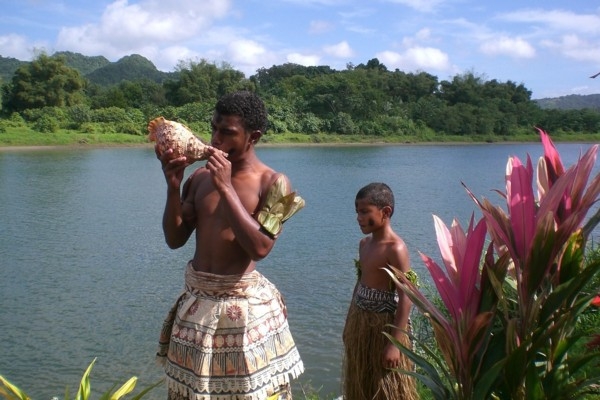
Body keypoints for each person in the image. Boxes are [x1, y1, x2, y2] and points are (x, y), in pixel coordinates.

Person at [155, 91, 305, 400]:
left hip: (244, 312)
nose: (216, 138)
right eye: (213, 128)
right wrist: (172, 186)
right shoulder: (198, 179)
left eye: (228, 132)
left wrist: (225, 187)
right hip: (198, 306)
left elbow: (260, 248)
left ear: (254, 136)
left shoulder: (274, 184)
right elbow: (174, 239)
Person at [342, 182, 418, 400]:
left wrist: (394, 344)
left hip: (384, 328)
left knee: (385, 387)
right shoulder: (364, 244)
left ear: (386, 212)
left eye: (365, 212)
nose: (359, 218)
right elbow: (360, 283)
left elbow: (406, 297)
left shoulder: (396, 248)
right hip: (361, 322)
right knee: (361, 383)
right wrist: (349, 323)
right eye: (357, 212)